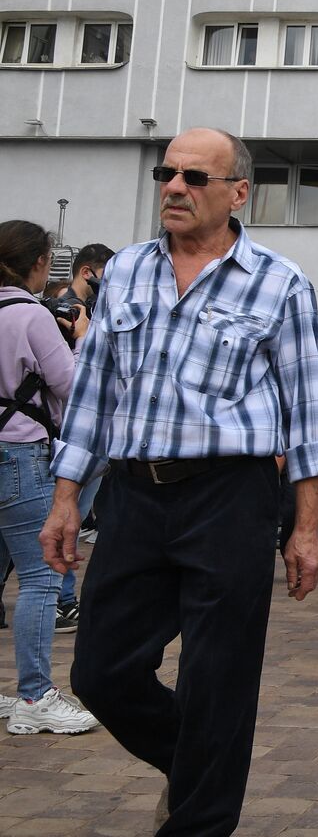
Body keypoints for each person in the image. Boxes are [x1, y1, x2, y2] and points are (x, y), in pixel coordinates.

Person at [41, 127, 318, 836]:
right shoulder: (128, 272)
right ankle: (199, 766)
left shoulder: (279, 283)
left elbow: (305, 416)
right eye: (166, 174)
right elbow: (94, 390)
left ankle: (199, 819)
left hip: (229, 497)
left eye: (194, 177)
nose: (174, 187)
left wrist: (305, 528)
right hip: (135, 495)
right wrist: (66, 496)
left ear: (238, 193)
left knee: (218, 677)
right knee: (100, 674)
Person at [0, 220, 98, 736]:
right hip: (19, 452)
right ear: (40, 264)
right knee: (40, 578)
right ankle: (35, 695)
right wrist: (82, 340)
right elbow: (71, 383)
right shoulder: (30, 315)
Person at [51, 241, 116, 634]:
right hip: (69, 432)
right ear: (89, 272)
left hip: (85, 435)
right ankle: (62, 601)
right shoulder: (63, 310)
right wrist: (82, 337)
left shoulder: (88, 309)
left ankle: (63, 598)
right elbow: (75, 381)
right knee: (64, 516)